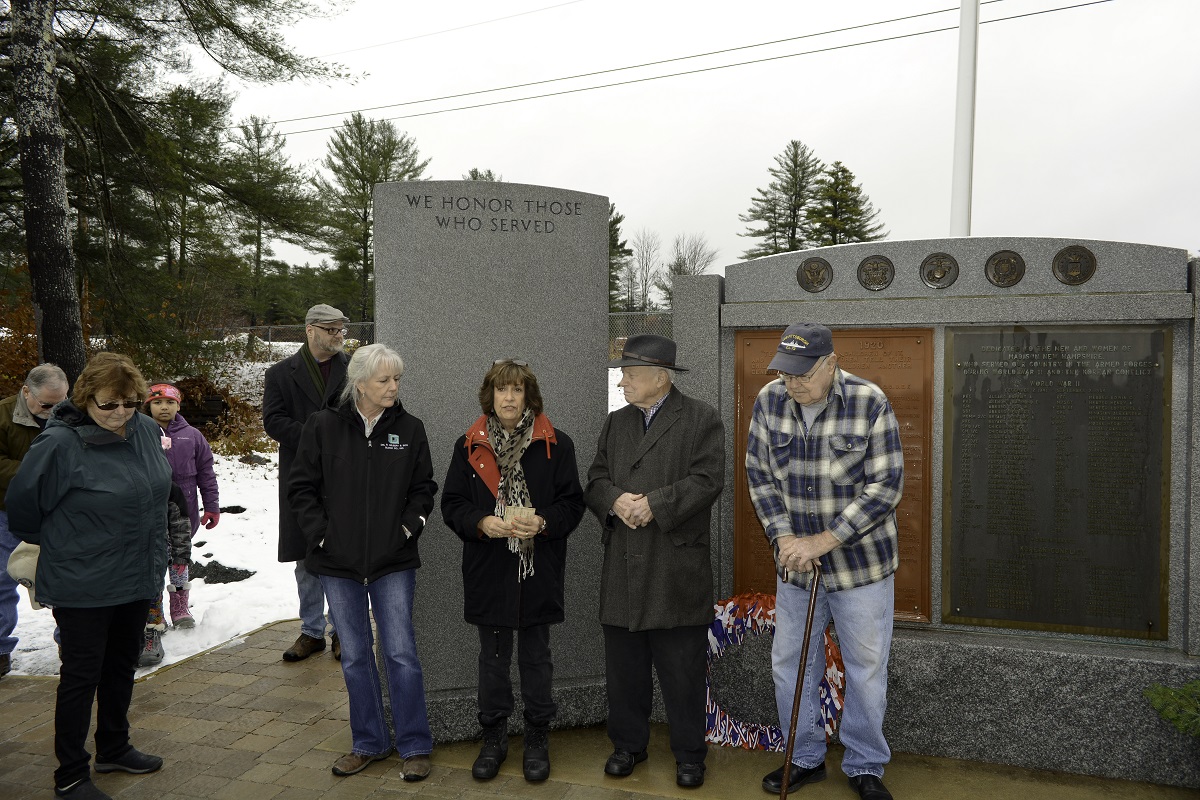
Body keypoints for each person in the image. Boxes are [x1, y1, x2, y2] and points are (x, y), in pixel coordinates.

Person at [745, 323, 904, 800]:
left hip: (861, 569)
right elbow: (760, 477)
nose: (793, 384)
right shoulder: (769, 401)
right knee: (790, 665)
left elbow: (886, 487)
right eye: (786, 373)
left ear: (831, 364)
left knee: (866, 667)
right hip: (797, 568)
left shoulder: (869, 401)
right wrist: (786, 538)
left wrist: (824, 540)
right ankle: (805, 757)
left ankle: (864, 765)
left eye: (803, 374)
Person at [5, 353, 171, 800]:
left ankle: (114, 747)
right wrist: (73, 541)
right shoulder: (59, 443)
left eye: (129, 403)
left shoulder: (145, 431)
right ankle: (72, 774)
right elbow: (23, 510)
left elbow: (156, 494)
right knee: (81, 677)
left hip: (136, 575)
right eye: (108, 405)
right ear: (85, 398)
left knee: (121, 666)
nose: (119, 414)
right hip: (84, 581)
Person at [288, 343, 437, 782]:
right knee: (354, 655)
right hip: (337, 563)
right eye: (384, 380)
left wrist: (409, 528)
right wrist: (321, 535)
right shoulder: (322, 426)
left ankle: (414, 745)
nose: (394, 387)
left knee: (401, 654)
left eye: (397, 380)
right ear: (360, 383)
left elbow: (423, 488)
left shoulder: (410, 428)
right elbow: (301, 488)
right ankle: (368, 742)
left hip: (394, 561)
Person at [583, 334, 724, 789]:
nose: (622, 381)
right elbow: (596, 477)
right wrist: (615, 500)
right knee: (624, 670)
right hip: (623, 565)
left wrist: (655, 505)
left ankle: (689, 755)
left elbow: (708, 480)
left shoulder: (700, 418)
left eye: (629, 372)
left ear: (660, 377)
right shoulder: (616, 422)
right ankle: (628, 746)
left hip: (673, 568)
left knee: (683, 672)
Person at [441, 359, 585, 783]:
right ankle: (495, 737)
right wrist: (481, 523)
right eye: (501, 390)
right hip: (488, 567)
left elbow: (572, 504)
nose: (508, 398)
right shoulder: (468, 444)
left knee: (537, 658)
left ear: (528, 396)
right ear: (490, 395)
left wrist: (543, 523)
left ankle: (537, 736)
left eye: (516, 390)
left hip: (537, 568)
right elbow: (451, 504)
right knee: (493, 659)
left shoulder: (556, 444)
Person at [263, 303, 350, 662]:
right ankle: (312, 630)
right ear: (310, 330)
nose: (338, 335)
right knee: (305, 556)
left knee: (343, 552)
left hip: (345, 473)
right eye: (331, 329)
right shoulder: (281, 373)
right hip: (301, 476)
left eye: (341, 329)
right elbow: (273, 420)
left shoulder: (355, 368)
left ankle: (343, 630)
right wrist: (313, 437)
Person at [0, 364, 68, 678]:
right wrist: (37, 471)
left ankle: (72, 646)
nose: (55, 411)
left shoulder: (72, 415)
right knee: (1, 583)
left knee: (68, 583)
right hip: (7, 514)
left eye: (62, 402)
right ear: (26, 392)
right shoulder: (2, 415)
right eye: (46, 405)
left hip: (59, 512)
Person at [146, 382, 220, 628]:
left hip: (184, 510)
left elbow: (206, 473)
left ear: (178, 405)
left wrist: (212, 506)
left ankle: (179, 605)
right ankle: (153, 609)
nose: (164, 408)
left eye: (170, 402)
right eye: (157, 403)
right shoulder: (141, 433)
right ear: (149, 406)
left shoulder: (193, 436)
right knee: (154, 560)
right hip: (151, 510)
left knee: (179, 559)